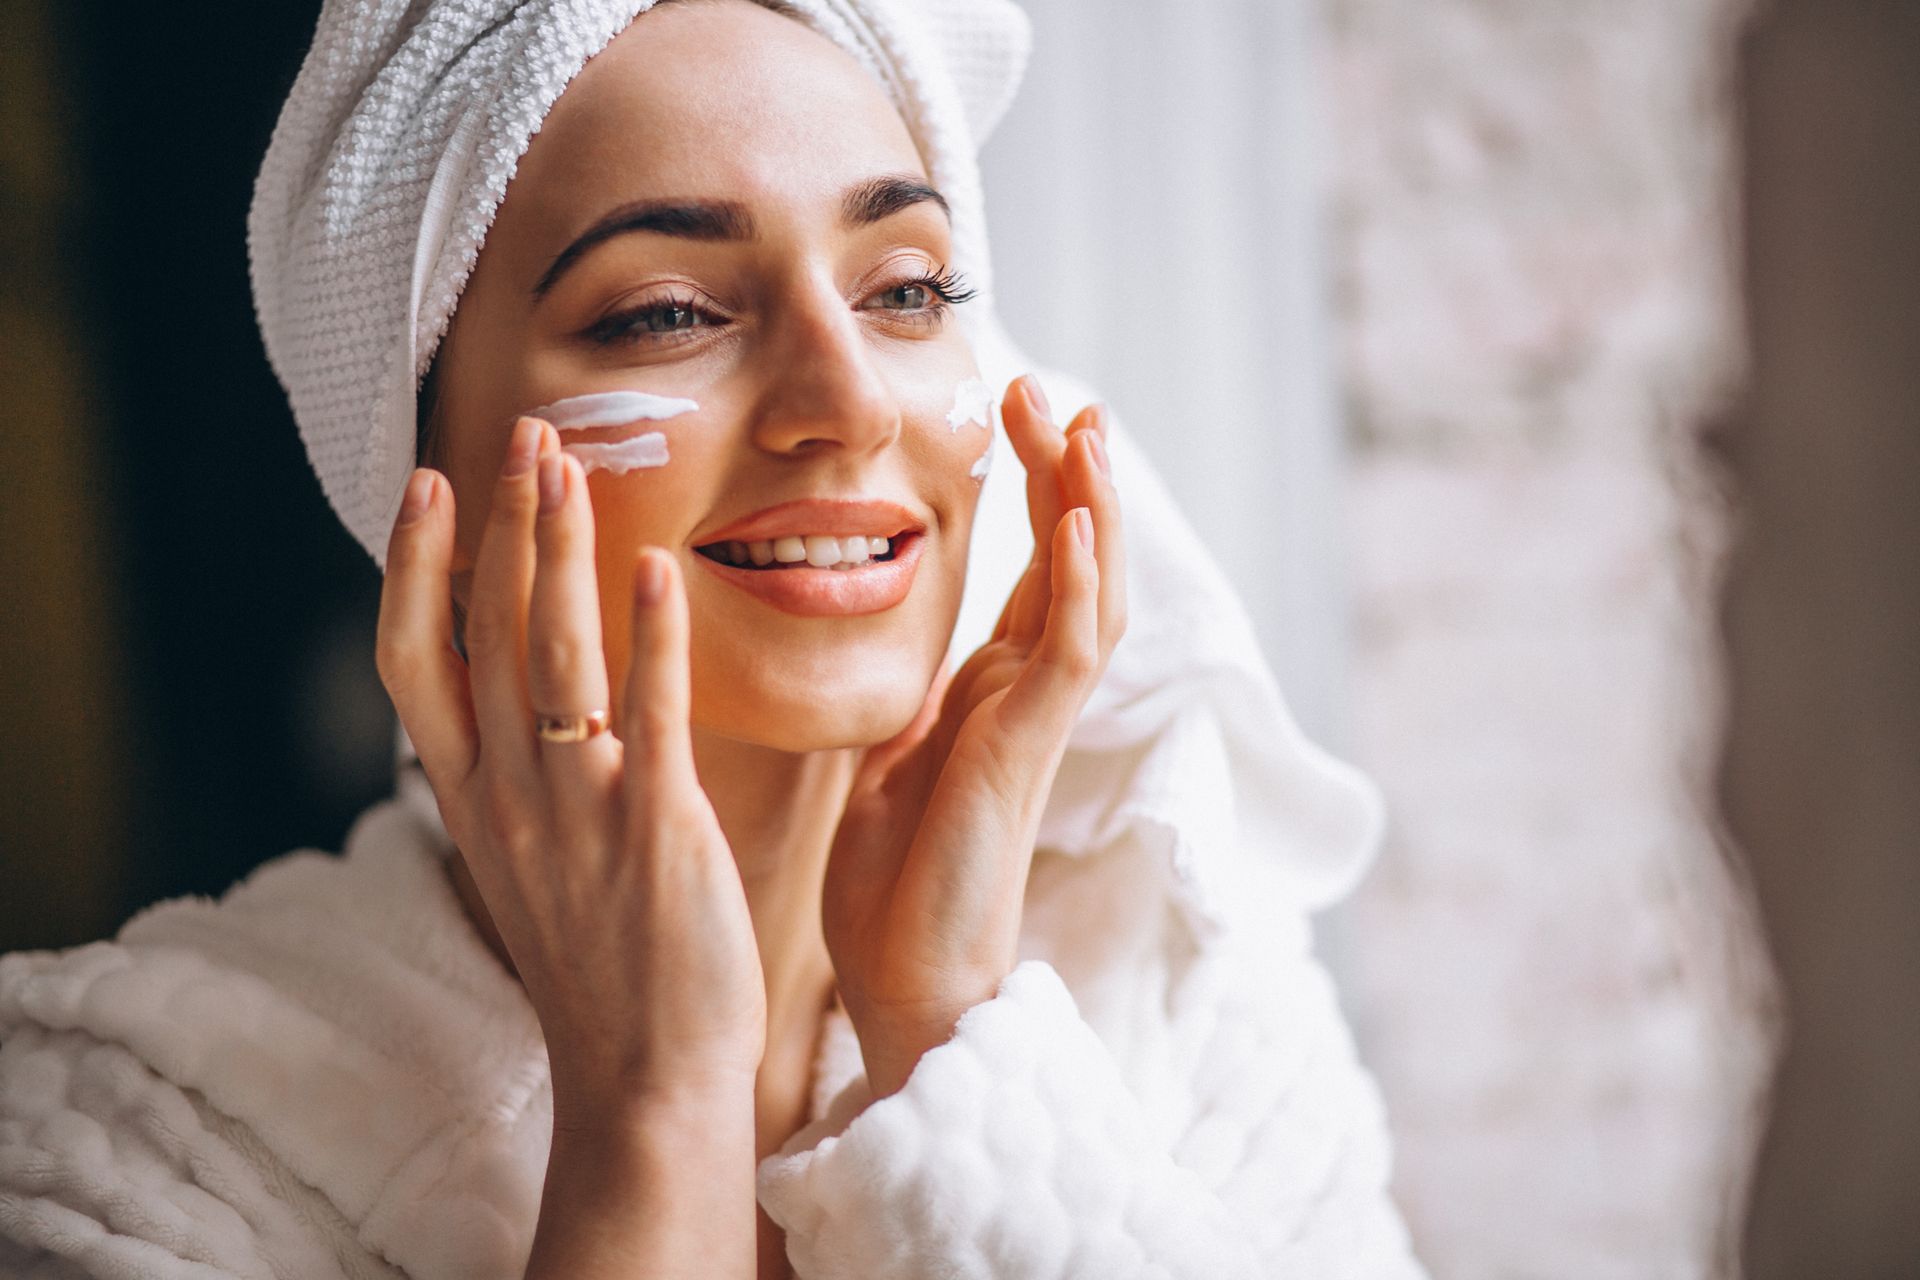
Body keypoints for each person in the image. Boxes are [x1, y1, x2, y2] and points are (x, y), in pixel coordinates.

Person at [0, 0, 1428, 1276]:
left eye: (906, 291)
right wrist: (654, 1107)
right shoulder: (129, 1132)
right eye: (666, 312)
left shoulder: (1195, 1016)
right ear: (420, 489)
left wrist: (946, 1046)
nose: (849, 397)